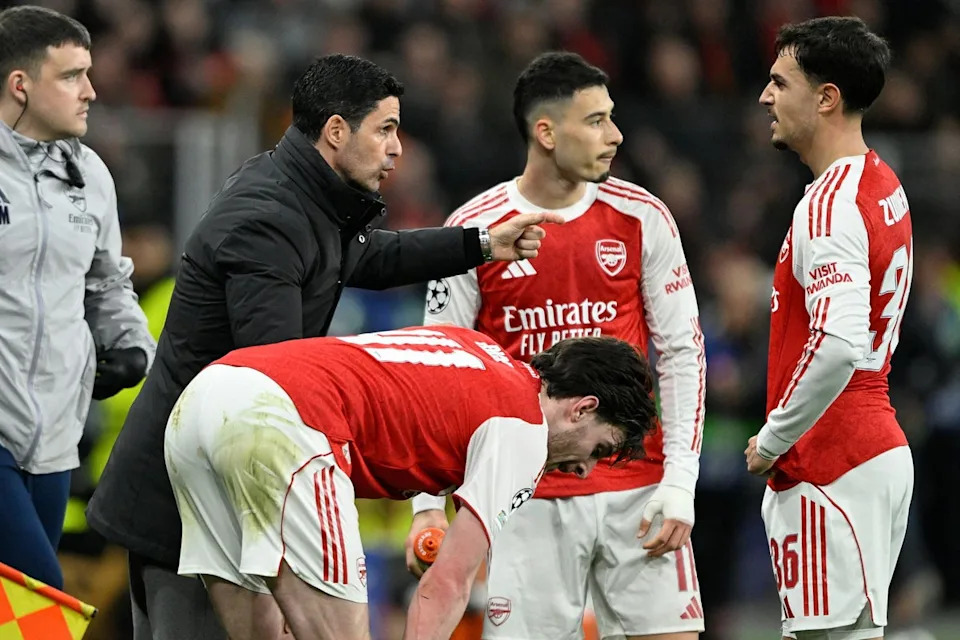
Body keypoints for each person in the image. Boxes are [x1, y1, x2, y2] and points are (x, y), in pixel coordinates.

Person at [86, 52, 562, 640]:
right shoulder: (268, 219)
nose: (397, 148)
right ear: (337, 131)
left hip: (228, 471)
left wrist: (482, 244)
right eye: (385, 129)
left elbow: (368, 255)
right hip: (189, 499)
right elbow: (276, 375)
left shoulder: (302, 197)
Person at [410, 52, 706, 639]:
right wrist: (425, 503)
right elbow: (437, 375)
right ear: (546, 132)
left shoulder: (643, 217)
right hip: (524, 494)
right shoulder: (475, 229)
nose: (615, 135)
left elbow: (681, 352)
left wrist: (679, 480)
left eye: (612, 118)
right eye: (596, 121)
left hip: (637, 486)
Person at [164, 325, 658, 640]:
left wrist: (426, 510)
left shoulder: (478, 348)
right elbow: (447, 583)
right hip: (287, 419)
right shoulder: (526, 431)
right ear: (582, 408)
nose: (584, 470)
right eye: (599, 448)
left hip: (204, 398)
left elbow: (414, 407)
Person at [746, 16, 914, 640]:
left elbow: (840, 344)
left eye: (779, 82)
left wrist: (773, 437)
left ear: (826, 97)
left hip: (833, 459)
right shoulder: (882, 182)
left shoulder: (827, 205)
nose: (766, 96)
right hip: (875, 449)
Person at [0, 5, 154, 590]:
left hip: (56, 437)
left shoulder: (90, 176)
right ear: (21, 85)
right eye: (71, 76)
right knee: (41, 600)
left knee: (13, 610)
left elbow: (108, 281)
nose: (90, 91)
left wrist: (133, 345)